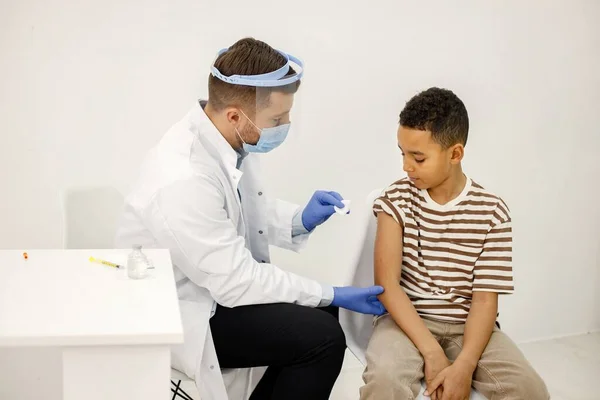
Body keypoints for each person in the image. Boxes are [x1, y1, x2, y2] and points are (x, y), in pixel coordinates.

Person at [115, 37, 385, 400]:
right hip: (185, 310)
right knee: (321, 337)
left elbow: (233, 210)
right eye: (277, 119)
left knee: (325, 317)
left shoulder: (225, 138)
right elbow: (238, 281)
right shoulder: (182, 177)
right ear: (235, 116)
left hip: (213, 287)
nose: (285, 125)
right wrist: (330, 291)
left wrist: (299, 219)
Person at [359, 87, 549, 400]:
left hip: (468, 327)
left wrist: (464, 365)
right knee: (384, 380)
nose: (406, 166)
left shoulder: (492, 212)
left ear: (455, 154)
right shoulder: (395, 199)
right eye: (402, 153)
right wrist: (433, 354)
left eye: (418, 157)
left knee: (530, 390)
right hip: (405, 322)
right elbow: (388, 285)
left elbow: (485, 301)